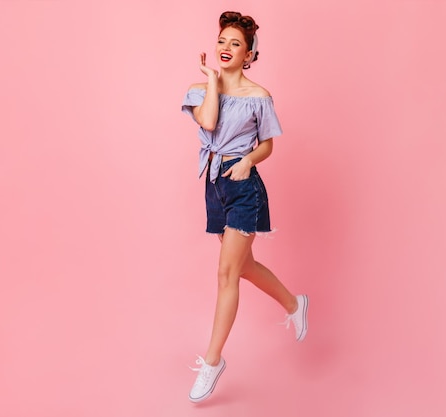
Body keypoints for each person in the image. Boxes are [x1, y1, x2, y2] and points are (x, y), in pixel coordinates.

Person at [181, 11, 309, 403]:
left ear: (249, 54)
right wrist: (212, 80)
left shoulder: (259, 97)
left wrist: (248, 161)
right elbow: (208, 121)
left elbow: (267, 144)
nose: (226, 48)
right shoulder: (201, 89)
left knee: (226, 274)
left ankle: (213, 360)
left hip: (244, 189)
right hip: (215, 188)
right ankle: (294, 302)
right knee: (245, 267)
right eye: (222, 41)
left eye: (235, 44)